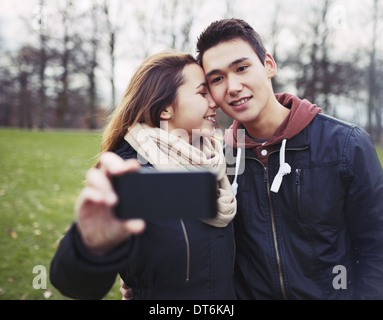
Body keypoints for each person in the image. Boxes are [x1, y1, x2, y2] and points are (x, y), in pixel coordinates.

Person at [192, 18, 383, 300]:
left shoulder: (345, 144)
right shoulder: (222, 160)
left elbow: (376, 249)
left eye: (242, 68)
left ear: (268, 64)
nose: (232, 86)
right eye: (217, 78)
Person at [49, 51, 237, 300]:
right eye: (202, 93)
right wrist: (91, 246)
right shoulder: (132, 175)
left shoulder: (219, 162)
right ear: (165, 109)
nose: (214, 102)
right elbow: (74, 285)